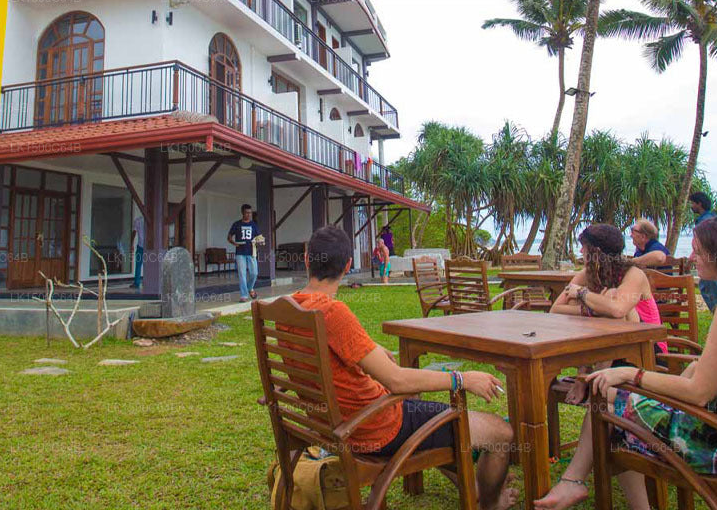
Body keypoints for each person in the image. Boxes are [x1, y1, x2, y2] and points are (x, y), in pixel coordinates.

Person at [535, 216, 717, 510]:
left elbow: (698, 393)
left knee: (607, 406)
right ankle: (574, 482)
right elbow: (715, 373)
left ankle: (575, 482)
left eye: (698, 251)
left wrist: (632, 374)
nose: (691, 258)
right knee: (611, 398)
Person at [284, 225, 518, 509]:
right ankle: (491, 503)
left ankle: (474, 487)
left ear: (307, 260)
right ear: (347, 265)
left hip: (331, 425)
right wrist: (463, 379)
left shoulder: (289, 309)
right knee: (500, 432)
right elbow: (397, 381)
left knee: (427, 413)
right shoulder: (332, 312)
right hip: (374, 429)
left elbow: (329, 352)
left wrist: (369, 348)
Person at [551, 224, 669, 406]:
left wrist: (583, 294)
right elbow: (555, 309)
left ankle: (587, 379)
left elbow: (618, 310)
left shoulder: (633, 274)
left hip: (643, 347)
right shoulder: (588, 274)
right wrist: (590, 308)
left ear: (596, 252)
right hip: (606, 349)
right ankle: (588, 376)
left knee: (610, 297)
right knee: (581, 300)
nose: (581, 251)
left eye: (584, 247)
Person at [689, 192, 717, 310]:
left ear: (699, 204)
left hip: (709, 261)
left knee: (711, 291)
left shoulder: (705, 221)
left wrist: (695, 255)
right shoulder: (712, 218)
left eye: (693, 203)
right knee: (709, 289)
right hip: (713, 260)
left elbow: (704, 242)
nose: (691, 206)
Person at [228, 204, 261, 302]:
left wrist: (259, 241)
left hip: (251, 252)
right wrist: (234, 243)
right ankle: (244, 295)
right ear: (242, 212)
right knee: (242, 274)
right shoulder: (237, 224)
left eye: (250, 213)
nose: (249, 215)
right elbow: (229, 236)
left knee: (254, 273)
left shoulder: (254, 225)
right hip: (240, 253)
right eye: (247, 213)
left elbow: (259, 237)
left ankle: (250, 288)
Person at [131, 213, 146, 289]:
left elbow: (134, 232)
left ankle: (137, 283)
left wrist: (131, 244)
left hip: (141, 245)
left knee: (138, 265)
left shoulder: (138, 220)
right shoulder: (151, 220)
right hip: (149, 246)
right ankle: (147, 282)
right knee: (149, 264)